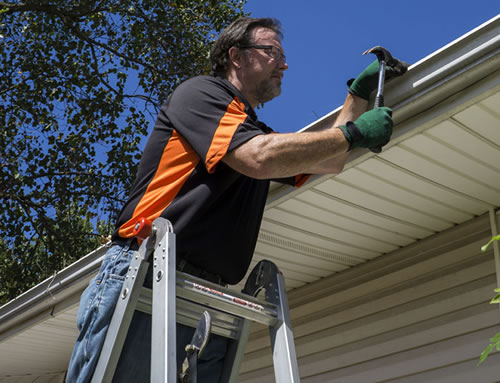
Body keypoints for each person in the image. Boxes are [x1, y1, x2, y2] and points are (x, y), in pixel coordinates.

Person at [66, 16, 406, 383]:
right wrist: (354, 133)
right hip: (144, 273)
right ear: (236, 57)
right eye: (271, 51)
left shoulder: (250, 131)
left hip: (196, 292)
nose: (284, 63)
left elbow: (329, 158)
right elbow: (259, 157)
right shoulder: (200, 95)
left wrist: (356, 95)